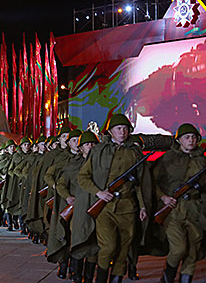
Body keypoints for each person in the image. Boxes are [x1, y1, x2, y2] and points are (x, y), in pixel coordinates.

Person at [78, 114, 149, 283]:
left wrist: (143, 206)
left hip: (128, 207)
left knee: (124, 248)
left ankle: (116, 278)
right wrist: (98, 192)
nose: (122, 132)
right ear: (110, 131)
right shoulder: (98, 151)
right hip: (105, 208)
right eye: (118, 129)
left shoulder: (135, 153)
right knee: (108, 247)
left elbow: (140, 183)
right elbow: (83, 177)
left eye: (125, 129)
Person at [153, 123, 206, 283]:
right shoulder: (167, 158)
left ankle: (185, 279)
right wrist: (163, 197)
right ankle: (167, 277)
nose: (191, 140)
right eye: (187, 137)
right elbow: (152, 182)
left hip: (195, 210)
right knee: (179, 248)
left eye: (194, 137)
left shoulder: (202, 161)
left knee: (193, 250)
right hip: (173, 209)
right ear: (179, 140)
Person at [45, 129, 82, 278]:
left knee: (77, 234)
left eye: (79, 140)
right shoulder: (61, 158)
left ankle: (75, 266)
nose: (77, 143)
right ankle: (63, 263)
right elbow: (48, 175)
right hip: (64, 201)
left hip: (81, 202)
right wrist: (56, 187)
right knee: (64, 232)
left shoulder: (86, 158)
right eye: (73, 140)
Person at [67, 131, 100, 283]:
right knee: (79, 240)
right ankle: (76, 274)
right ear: (81, 148)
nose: (91, 147)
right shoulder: (73, 164)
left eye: (94, 144)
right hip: (80, 208)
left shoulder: (102, 164)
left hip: (98, 206)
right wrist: (68, 197)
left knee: (95, 244)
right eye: (87, 144)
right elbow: (62, 183)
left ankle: (88, 277)